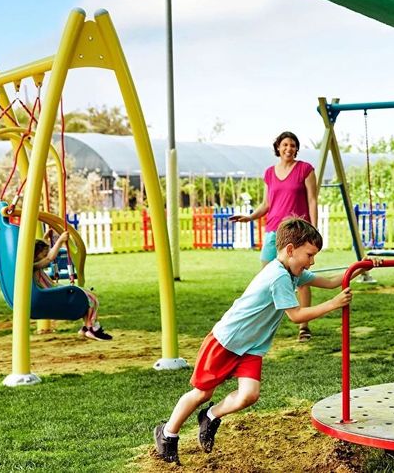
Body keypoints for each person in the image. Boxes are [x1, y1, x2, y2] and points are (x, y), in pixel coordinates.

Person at [153, 217, 359, 464]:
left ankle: (210, 416)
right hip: (227, 341)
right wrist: (333, 304)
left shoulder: (292, 272)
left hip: (251, 347)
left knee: (249, 395)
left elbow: (330, 282)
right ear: (290, 250)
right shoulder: (278, 276)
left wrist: (358, 268)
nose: (312, 261)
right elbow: (296, 315)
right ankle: (167, 434)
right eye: (309, 255)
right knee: (201, 393)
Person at [230, 131, 319, 343]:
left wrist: (313, 230)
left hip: (298, 232)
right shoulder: (269, 173)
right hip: (273, 231)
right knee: (266, 277)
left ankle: (303, 326)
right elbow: (267, 204)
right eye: (285, 144)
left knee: (302, 278)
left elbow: (312, 200)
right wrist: (250, 217)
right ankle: (260, 323)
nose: (289, 148)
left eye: (293, 145)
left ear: (297, 149)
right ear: (278, 147)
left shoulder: (305, 169)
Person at [33, 231, 112, 341]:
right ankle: (92, 329)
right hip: (51, 296)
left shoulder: (33, 263)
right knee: (91, 298)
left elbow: (42, 253)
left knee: (90, 296)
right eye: (44, 253)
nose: (46, 254)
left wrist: (45, 237)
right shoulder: (33, 267)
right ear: (35, 254)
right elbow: (48, 259)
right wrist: (60, 240)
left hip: (52, 293)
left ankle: (87, 327)